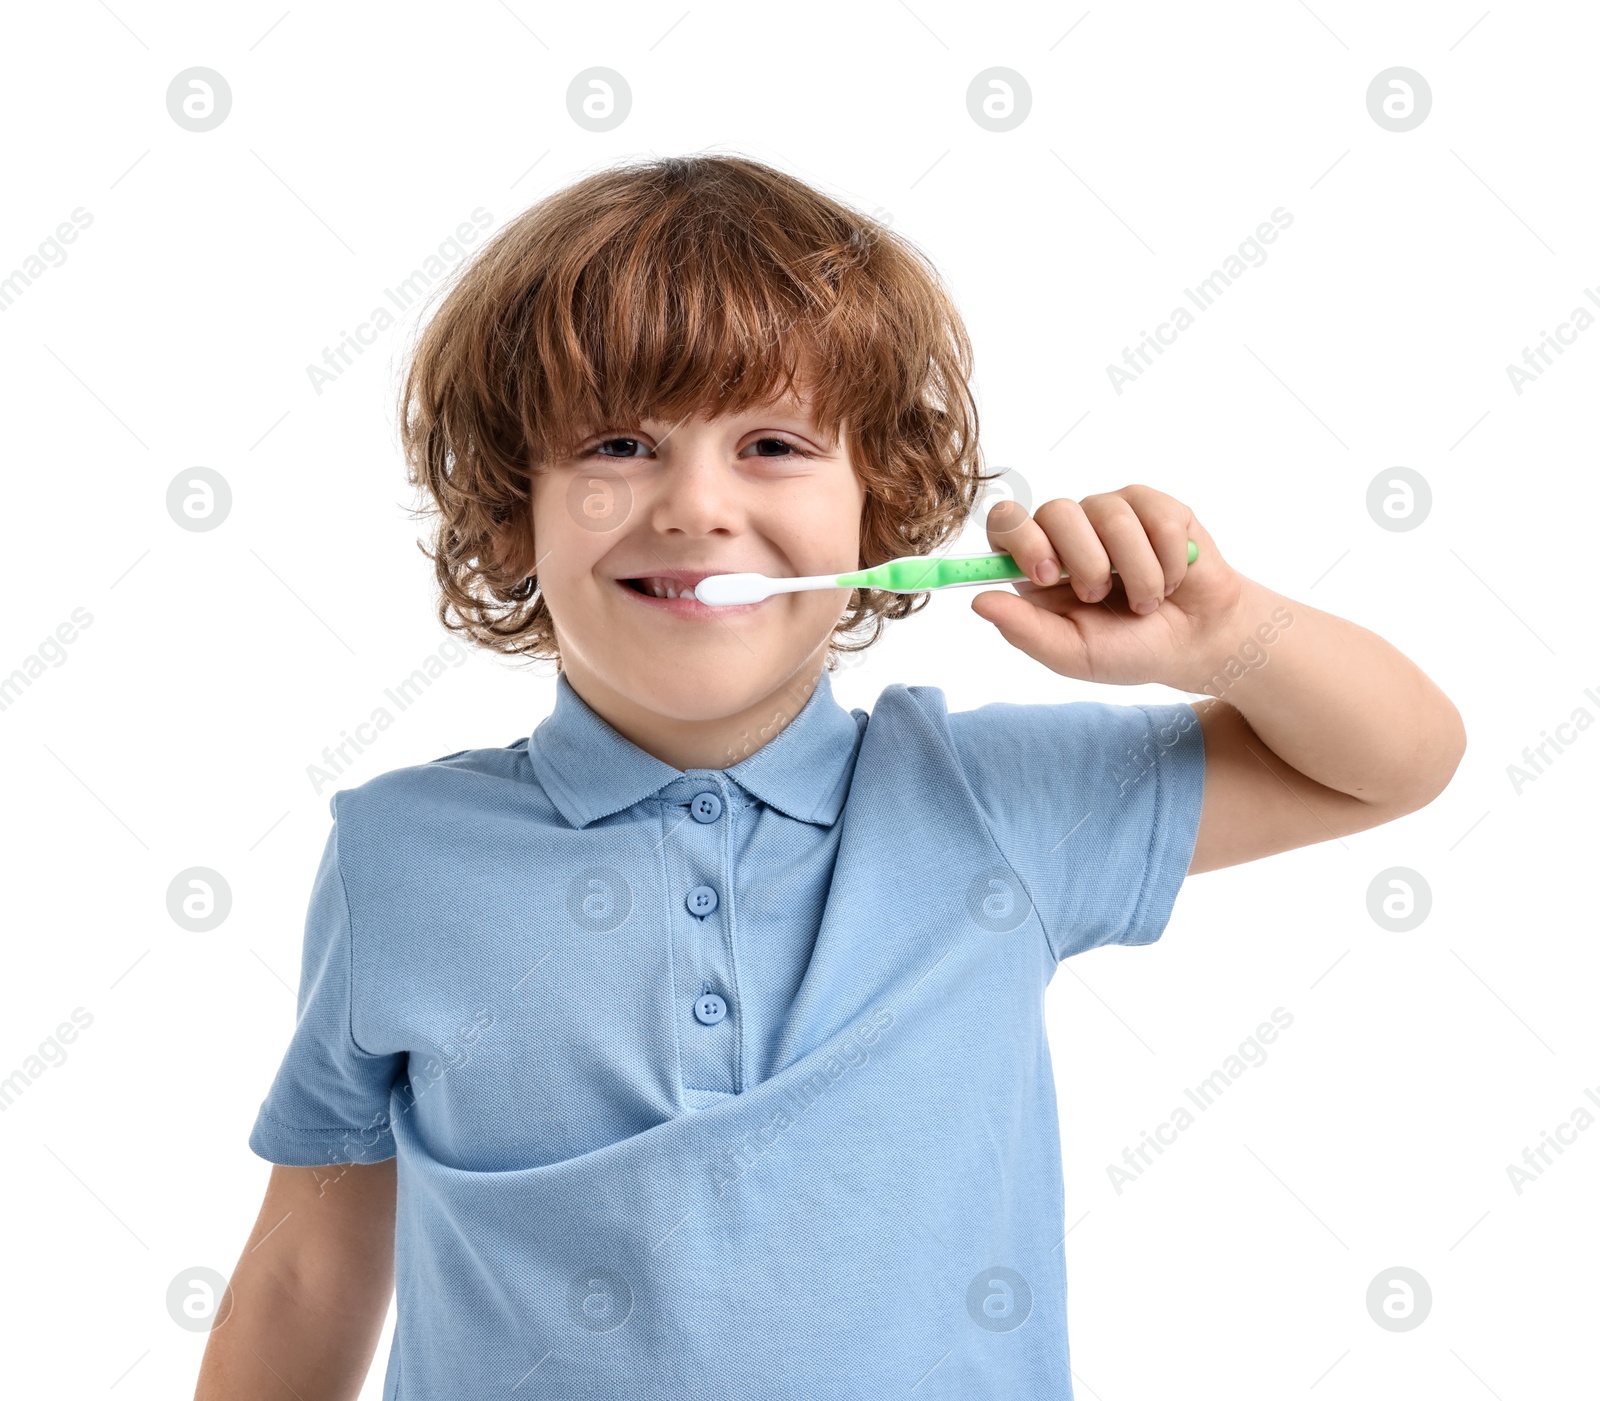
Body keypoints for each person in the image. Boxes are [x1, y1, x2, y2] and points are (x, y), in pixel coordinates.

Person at [194, 152, 1465, 1400]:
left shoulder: (991, 805)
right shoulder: (399, 853)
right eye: (620, 444)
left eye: (774, 445)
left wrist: (1225, 633)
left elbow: (1396, 763)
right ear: (512, 511)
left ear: (882, 508)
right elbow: (308, 1267)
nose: (694, 505)